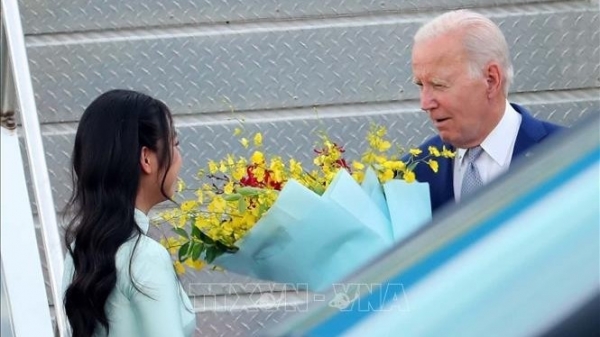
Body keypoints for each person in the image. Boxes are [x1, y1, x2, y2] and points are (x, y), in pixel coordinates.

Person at [62, 89, 196, 337]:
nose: (180, 158)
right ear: (146, 158)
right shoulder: (144, 256)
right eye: (174, 145)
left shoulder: (78, 252)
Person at [409, 9, 563, 212]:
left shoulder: (570, 157)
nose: (425, 103)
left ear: (491, 80)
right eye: (421, 85)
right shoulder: (414, 171)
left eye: (438, 84)